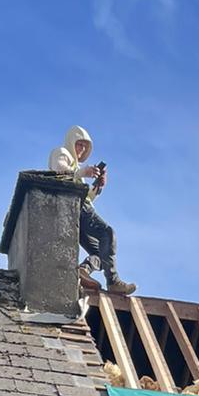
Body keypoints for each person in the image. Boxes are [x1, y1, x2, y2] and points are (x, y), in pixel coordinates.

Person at [47, 125, 136, 295]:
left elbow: (87, 195)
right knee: (108, 233)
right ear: (71, 142)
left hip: (75, 207)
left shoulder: (75, 166)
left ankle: (84, 269)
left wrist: (98, 186)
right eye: (79, 144)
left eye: (84, 147)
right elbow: (59, 171)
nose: (81, 149)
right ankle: (113, 281)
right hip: (74, 206)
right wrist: (82, 172)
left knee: (102, 252)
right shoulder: (61, 153)